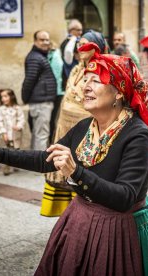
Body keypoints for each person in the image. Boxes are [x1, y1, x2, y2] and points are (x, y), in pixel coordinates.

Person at [0, 42, 148, 276]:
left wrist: (76, 172)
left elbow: (124, 197)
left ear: (119, 91)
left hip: (120, 232)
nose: (85, 86)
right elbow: (46, 160)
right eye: (86, 79)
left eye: (96, 80)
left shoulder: (137, 135)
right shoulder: (85, 127)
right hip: (80, 222)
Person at [41, 30, 107, 217]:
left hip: (86, 132)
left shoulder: (100, 71)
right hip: (65, 127)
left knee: (80, 173)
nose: (81, 47)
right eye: (80, 43)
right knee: (62, 169)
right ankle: (68, 216)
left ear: (97, 47)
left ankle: (83, 215)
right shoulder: (77, 68)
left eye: (86, 44)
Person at [22, 30, 57, 150]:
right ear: (35, 41)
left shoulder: (39, 56)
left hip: (41, 101)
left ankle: (35, 163)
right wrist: (25, 98)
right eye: (42, 40)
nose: (45, 42)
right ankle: (40, 166)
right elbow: (29, 80)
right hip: (41, 103)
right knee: (42, 135)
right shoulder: (35, 57)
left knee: (38, 134)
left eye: (47, 39)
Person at [0, 88, 25, 175]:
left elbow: (21, 119)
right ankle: (6, 168)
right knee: (6, 150)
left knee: (16, 149)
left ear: (11, 96)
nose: (3, 99)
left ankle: (16, 164)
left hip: (15, 134)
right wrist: (3, 132)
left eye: (5, 96)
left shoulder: (17, 108)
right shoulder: (0, 110)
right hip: (6, 134)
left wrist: (19, 126)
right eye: (2, 97)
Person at [47, 42, 63, 143]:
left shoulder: (55, 56)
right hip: (55, 92)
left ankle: (52, 142)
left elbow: (56, 76)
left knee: (53, 120)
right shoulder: (52, 56)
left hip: (56, 92)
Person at [60, 19, 82, 91]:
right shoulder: (69, 43)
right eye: (78, 30)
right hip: (71, 81)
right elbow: (68, 55)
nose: (81, 32)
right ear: (71, 30)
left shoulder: (76, 41)